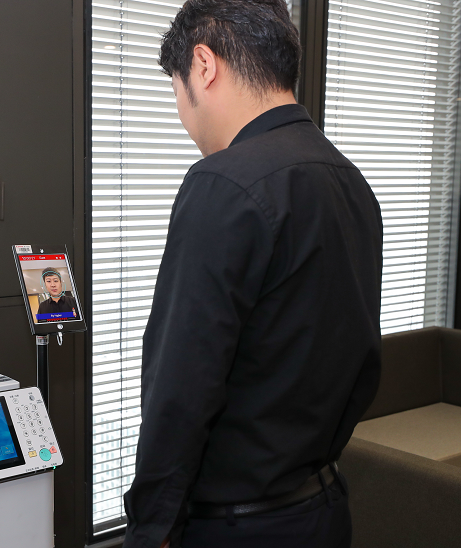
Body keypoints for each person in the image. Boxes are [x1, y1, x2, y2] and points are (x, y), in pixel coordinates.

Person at [122, 2, 383, 548]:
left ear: (203, 65)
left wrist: (151, 528)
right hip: (324, 510)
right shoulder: (350, 181)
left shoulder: (222, 183)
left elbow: (182, 386)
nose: (182, 115)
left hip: (238, 528)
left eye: (176, 90)